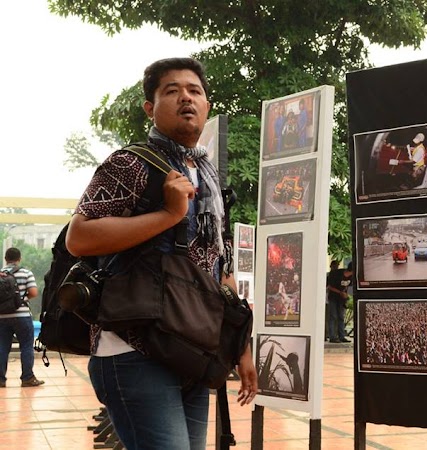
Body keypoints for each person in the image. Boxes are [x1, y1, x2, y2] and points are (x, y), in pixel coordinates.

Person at [65, 57, 257, 449]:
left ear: (206, 106)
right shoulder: (129, 163)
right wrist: (169, 214)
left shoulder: (209, 175)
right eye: (172, 91)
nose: (186, 97)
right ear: (150, 108)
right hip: (135, 345)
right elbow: (79, 238)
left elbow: (219, 267)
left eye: (195, 91)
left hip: (191, 347)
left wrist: (241, 347)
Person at [0, 248, 44, 388]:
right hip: (22, 315)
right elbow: (33, 292)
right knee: (26, 346)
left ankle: (0, 379)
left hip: (2, 317)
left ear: (6, 259)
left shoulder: (0, 274)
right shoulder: (26, 273)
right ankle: (27, 378)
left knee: (2, 347)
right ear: (19, 258)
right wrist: (22, 300)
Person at [327, 262, 353, 343]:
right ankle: (332, 337)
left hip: (342, 299)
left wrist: (346, 294)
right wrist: (340, 292)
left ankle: (341, 336)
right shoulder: (337, 274)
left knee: (341, 317)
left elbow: (348, 287)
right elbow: (329, 287)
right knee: (333, 317)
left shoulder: (352, 277)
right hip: (333, 298)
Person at [325, 260, 339, 341]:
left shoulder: (338, 276)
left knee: (335, 317)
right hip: (328, 299)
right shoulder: (328, 276)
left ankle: (333, 334)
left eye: (337, 266)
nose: (336, 267)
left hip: (335, 299)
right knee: (330, 317)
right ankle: (330, 335)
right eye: (335, 266)